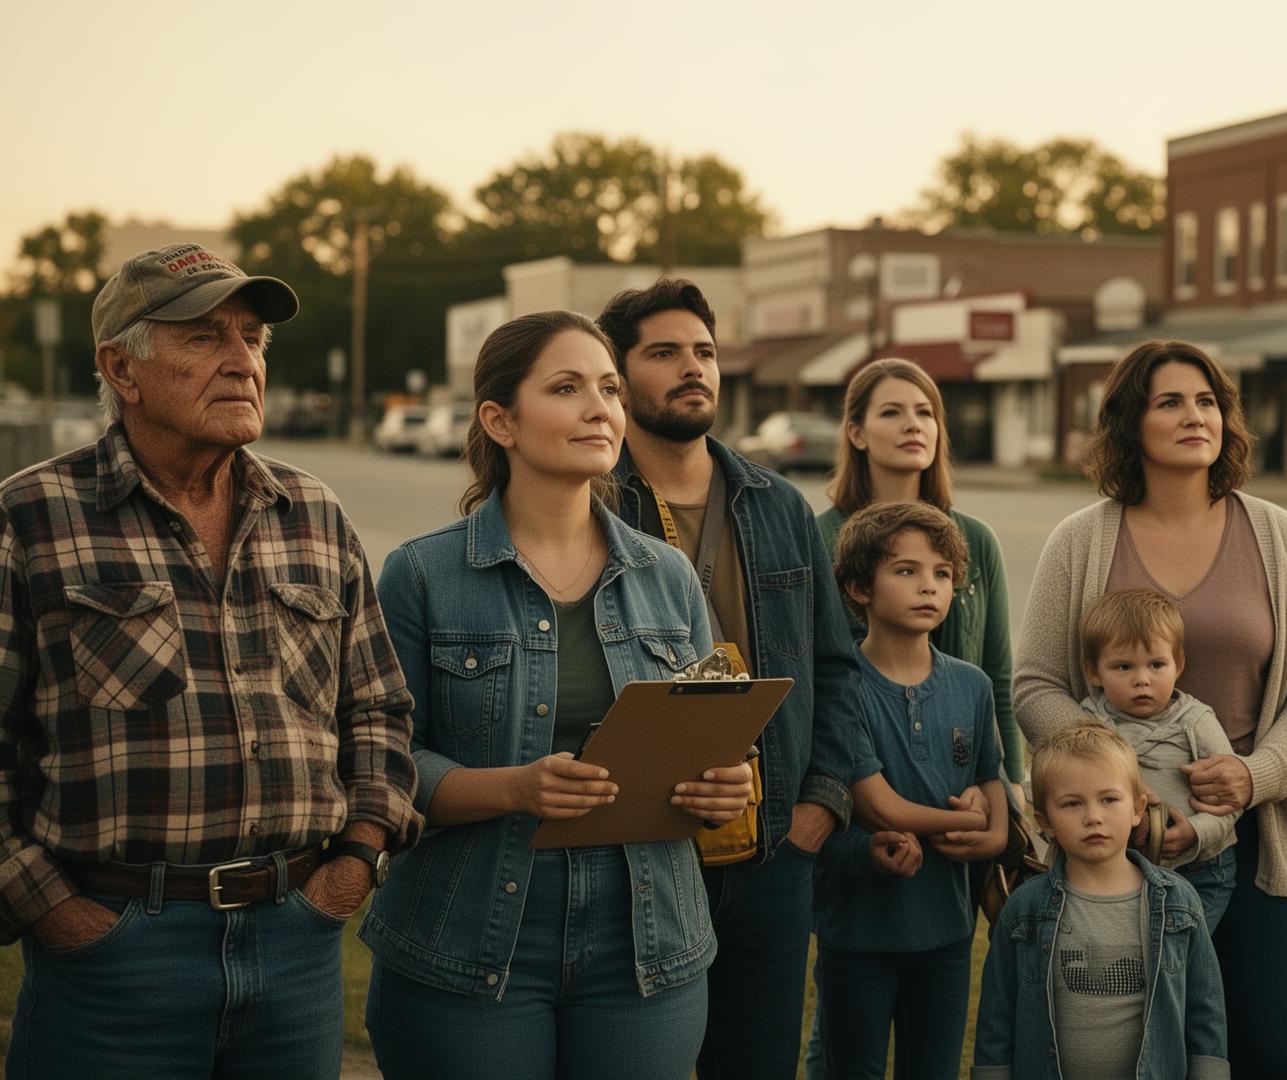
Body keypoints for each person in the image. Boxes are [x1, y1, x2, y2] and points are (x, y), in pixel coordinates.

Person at [0, 244, 419, 1078]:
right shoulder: (32, 516)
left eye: (253, 338)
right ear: (122, 368)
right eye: (203, 337)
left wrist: (354, 864)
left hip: (297, 946)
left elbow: (377, 709)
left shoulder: (315, 514)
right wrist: (53, 910)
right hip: (115, 953)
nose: (241, 361)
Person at [358, 311, 754, 1079]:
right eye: (566, 388)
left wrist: (722, 784)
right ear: (499, 420)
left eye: (608, 387)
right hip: (468, 942)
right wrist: (516, 787)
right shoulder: (422, 575)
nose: (599, 407)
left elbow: (710, 733)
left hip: (648, 945)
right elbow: (384, 767)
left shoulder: (667, 575)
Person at [1014, 339, 1287, 1079]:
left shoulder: (1279, 537)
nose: (1196, 416)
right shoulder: (1081, 541)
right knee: (1134, 1052)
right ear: (1132, 422)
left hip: (1255, 845)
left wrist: (1257, 775)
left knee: (1262, 1054)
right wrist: (1115, 782)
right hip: (1114, 850)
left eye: (1208, 401)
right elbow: (1034, 684)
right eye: (1170, 402)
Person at [595, 279, 863, 1080]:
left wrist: (820, 806)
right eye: (665, 353)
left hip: (771, 851)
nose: (692, 368)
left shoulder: (776, 503)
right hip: (639, 852)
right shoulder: (593, 501)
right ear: (620, 372)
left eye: (704, 353)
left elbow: (837, 667)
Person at [807, 356, 1022, 1077]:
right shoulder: (820, 537)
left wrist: (1003, 806)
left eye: (926, 411)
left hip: (956, 781)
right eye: (893, 411)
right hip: (857, 800)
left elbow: (994, 674)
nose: (913, 426)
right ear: (856, 431)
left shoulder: (974, 540)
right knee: (844, 1044)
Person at [972, 724, 1228, 1080]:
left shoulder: (1177, 902)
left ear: (1138, 808)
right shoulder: (1024, 909)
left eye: (1109, 799)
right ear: (1045, 821)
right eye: (1072, 803)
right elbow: (997, 1015)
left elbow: (1206, 1008)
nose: (1093, 816)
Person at [1077, 587, 1240, 930]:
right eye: (1123, 666)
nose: (1142, 680)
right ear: (1093, 673)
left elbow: (1231, 800)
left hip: (1199, 871)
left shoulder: (1195, 721)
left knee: (1174, 954)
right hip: (1119, 871)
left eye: (1156, 665)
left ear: (1178, 664)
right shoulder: (1090, 724)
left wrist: (1194, 833)